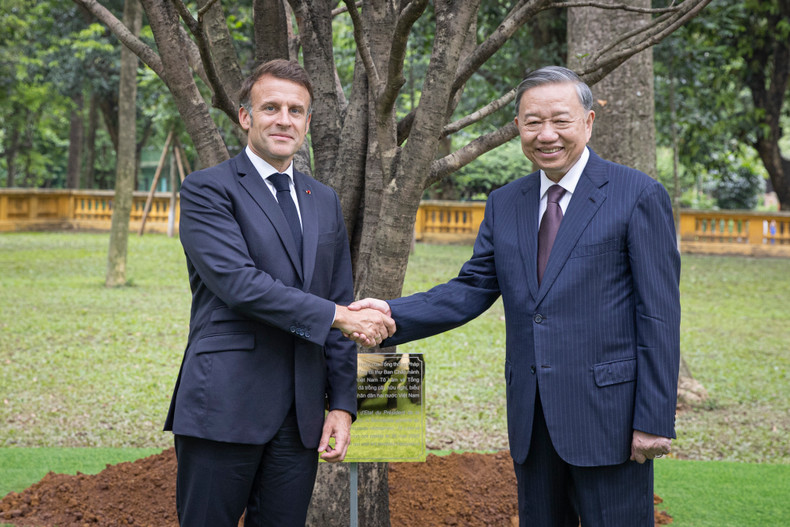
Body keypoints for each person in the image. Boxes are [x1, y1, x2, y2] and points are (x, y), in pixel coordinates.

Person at [351, 66, 681, 526]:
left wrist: (653, 418)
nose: (546, 134)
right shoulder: (506, 202)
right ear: (518, 127)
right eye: (532, 122)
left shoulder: (637, 194)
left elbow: (659, 315)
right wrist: (391, 312)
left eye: (561, 120)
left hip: (611, 418)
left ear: (588, 122)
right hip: (532, 416)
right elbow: (473, 288)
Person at [164, 59, 395, 527]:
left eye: (296, 110)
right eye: (271, 107)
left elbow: (339, 298)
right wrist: (339, 315)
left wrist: (344, 406)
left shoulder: (323, 200)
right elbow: (240, 285)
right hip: (225, 406)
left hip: (301, 415)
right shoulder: (208, 190)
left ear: (308, 122)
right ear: (246, 116)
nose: (284, 119)